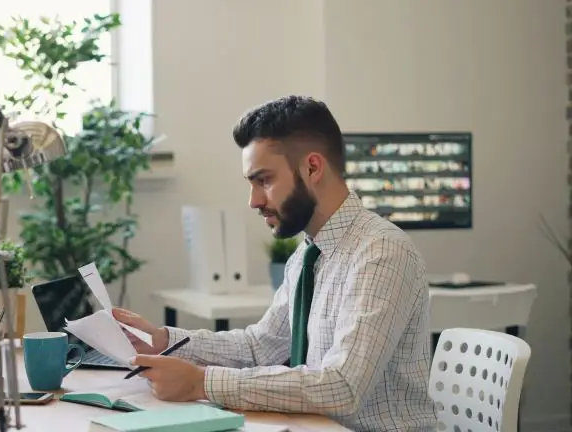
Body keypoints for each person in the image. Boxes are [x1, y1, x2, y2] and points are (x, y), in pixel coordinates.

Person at [112, 95, 437, 431]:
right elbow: (260, 347)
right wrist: (165, 340)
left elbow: (342, 387)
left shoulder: (381, 252)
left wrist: (201, 383)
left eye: (264, 180)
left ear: (312, 168)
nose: (254, 200)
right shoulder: (307, 256)